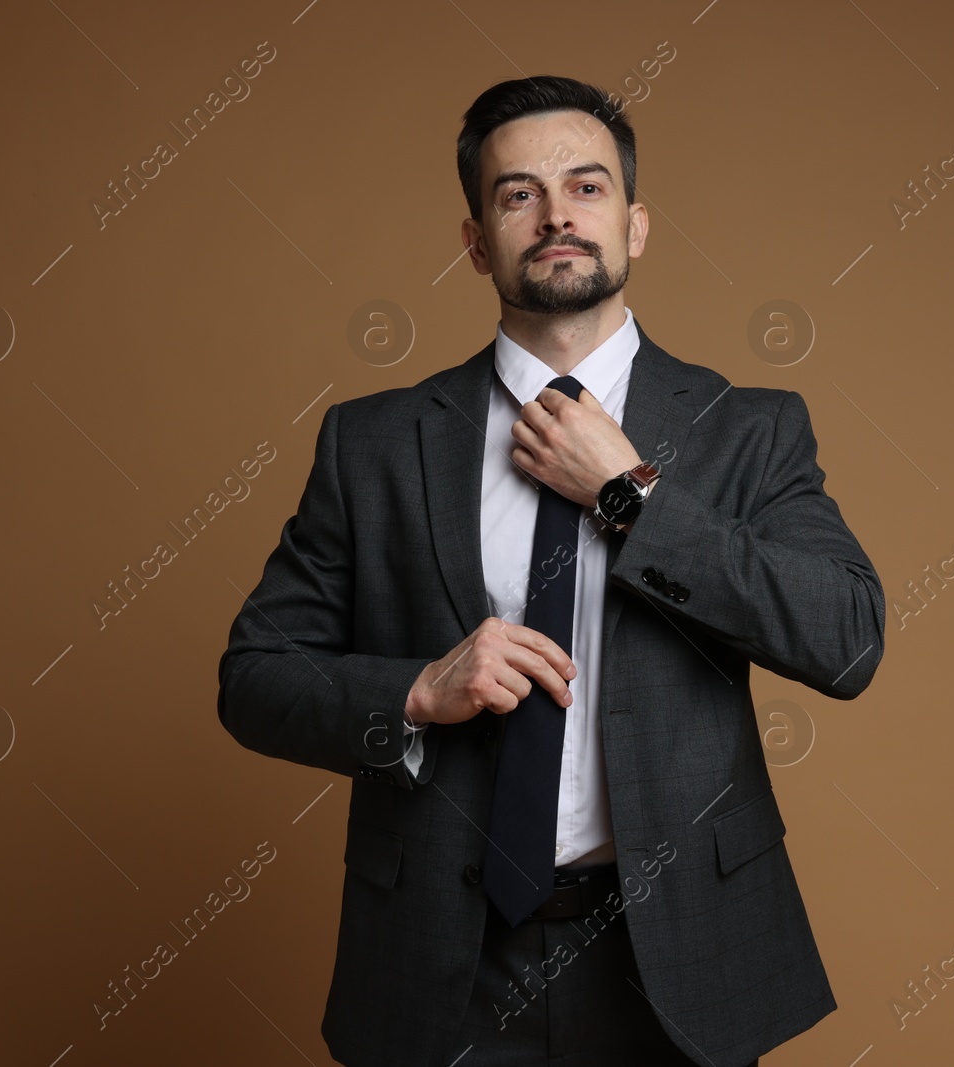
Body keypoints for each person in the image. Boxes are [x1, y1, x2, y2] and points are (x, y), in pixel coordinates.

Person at [217, 74, 885, 1067]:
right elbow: (255, 677)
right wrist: (412, 687)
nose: (556, 214)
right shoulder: (375, 443)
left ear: (635, 223)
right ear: (477, 240)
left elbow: (845, 638)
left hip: (681, 957)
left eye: (586, 186)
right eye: (518, 193)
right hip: (442, 965)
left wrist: (630, 496)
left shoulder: (747, 429)